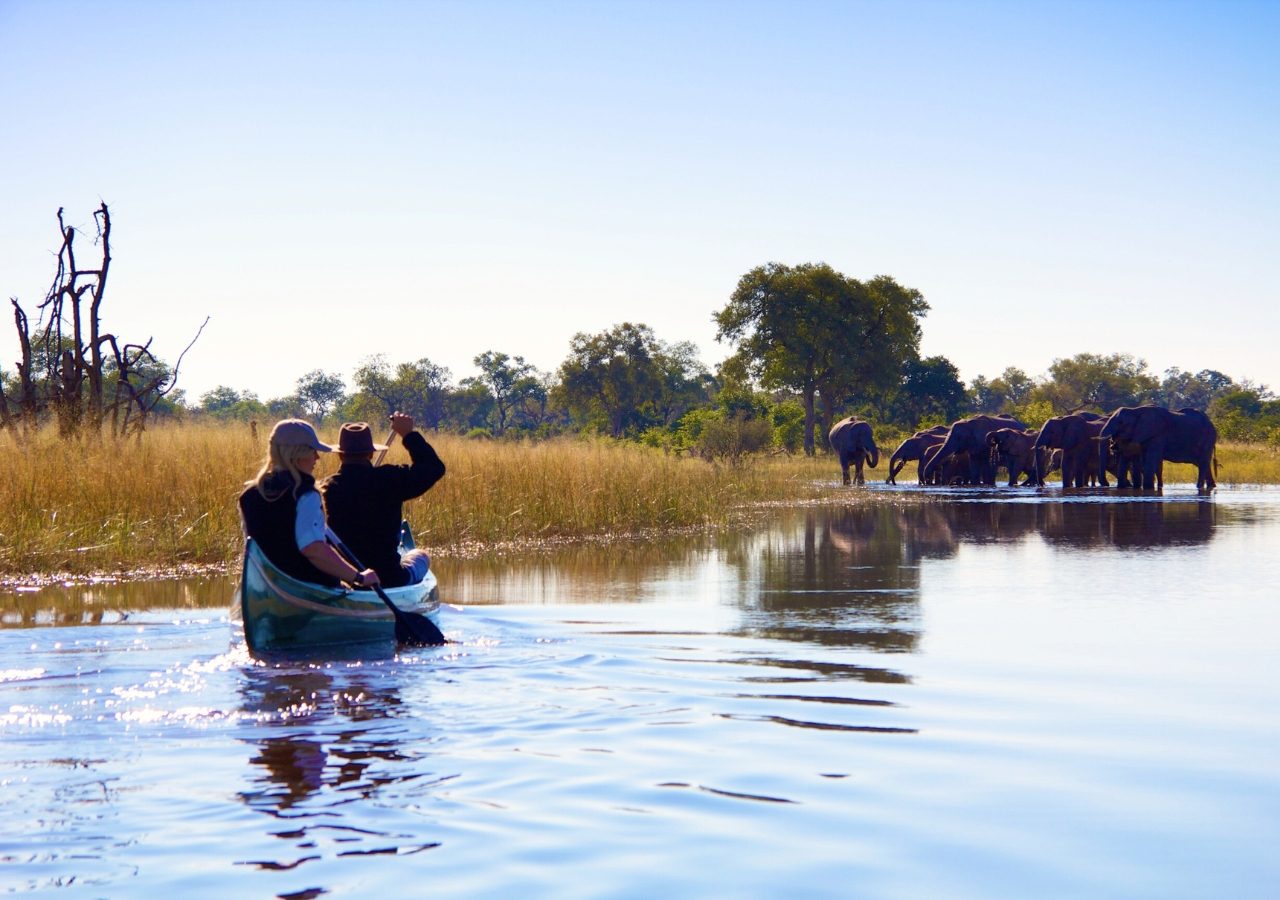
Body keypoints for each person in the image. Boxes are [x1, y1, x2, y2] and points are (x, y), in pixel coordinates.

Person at [238, 419, 380, 589]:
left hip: (263, 587)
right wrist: (358, 577)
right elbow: (313, 549)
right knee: (346, 588)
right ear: (298, 453)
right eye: (313, 451)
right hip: (309, 585)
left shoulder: (249, 494)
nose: (317, 457)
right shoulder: (306, 494)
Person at [321, 411, 446, 587]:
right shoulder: (389, 479)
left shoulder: (325, 488)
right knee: (421, 556)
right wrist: (408, 435)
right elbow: (434, 468)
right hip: (390, 578)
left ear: (340, 455)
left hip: (344, 579)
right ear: (371, 454)